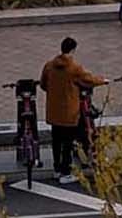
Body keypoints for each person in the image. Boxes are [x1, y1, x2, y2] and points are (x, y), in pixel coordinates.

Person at [40, 36, 106, 183]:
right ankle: (65, 172)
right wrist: (102, 81)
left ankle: (57, 169)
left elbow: (43, 85)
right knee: (68, 143)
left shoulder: (49, 66)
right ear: (73, 49)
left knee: (56, 141)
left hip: (53, 111)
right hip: (69, 112)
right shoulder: (74, 68)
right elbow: (88, 80)